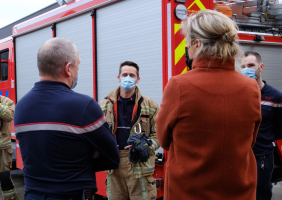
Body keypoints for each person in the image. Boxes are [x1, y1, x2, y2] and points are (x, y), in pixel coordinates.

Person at [156, 10, 261, 200]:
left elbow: (163, 140)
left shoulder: (179, 85)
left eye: (187, 43)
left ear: (197, 44)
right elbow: (250, 141)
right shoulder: (250, 87)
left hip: (188, 192)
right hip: (239, 191)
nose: (187, 49)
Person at [14, 38, 120, 200]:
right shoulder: (84, 106)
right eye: (78, 65)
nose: (78, 71)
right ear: (68, 69)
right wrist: (85, 157)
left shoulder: (21, 106)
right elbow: (113, 158)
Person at [99, 61, 160, 200]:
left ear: (138, 79)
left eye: (132, 75)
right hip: (114, 165)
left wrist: (147, 146)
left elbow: (159, 135)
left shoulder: (150, 105)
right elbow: (97, 135)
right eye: (124, 74)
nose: (128, 78)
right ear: (118, 77)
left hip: (140, 165)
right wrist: (105, 146)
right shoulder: (103, 105)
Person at [241, 51, 282, 200]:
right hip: (240, 158)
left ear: (261, 67)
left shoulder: (276, 97)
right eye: (243, 66)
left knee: (261, 195)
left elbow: (279, 130)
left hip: (262, 159)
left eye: (251, 65)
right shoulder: (238, 95)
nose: (247, 69)